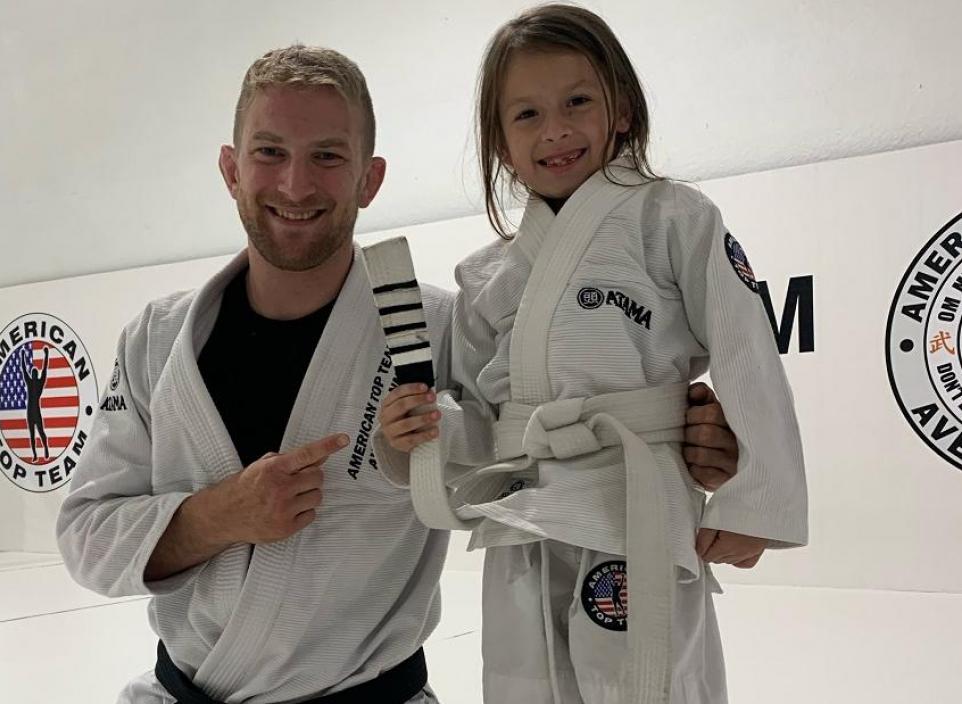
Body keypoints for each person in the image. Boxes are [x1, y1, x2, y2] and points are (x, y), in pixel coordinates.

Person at [57, 44, 743, 704]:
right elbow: (87, 535)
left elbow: (552, 438)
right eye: (270, 153)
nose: (296, 184)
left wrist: (682, 438)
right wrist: (218, 515)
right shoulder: (158, 339)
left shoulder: (440, 327)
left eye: (328, 155)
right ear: (232, 169)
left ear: (369, 178)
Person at [378, 5, 808, 704]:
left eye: (577, 101)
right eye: (526, 115)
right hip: (521, 515)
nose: (555, 130)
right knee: (522, 683)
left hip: (634, 502)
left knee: (649, 683)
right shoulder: (484, 275)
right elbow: (476, 418)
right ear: (500, 144)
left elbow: (747, 348)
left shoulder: (674, 219)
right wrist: (417, 438)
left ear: (623, 109)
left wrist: (754, 500)